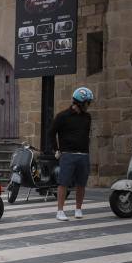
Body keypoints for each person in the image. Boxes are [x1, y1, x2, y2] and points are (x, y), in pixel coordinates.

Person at [49, 87, 93, 221]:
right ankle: (60, 211)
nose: (88, 105)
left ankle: (78, 209)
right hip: (67, 154)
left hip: (83, 155)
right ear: (80, 102)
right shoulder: (62, 116)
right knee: (63, 182)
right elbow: (51, 132)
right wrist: (56, 149)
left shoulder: (87, 117)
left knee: (81, 183)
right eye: (87, 102)